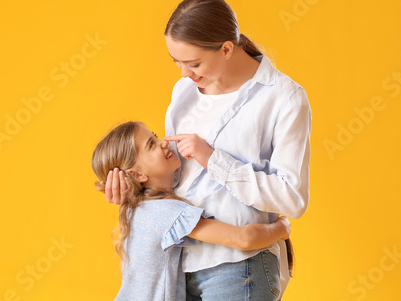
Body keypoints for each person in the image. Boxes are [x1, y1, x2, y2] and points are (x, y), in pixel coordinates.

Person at [101, 0, 311, 300]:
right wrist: (131, 189)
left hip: (237, 268)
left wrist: (212, 159)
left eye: (193, 62)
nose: (184, 74)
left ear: (227, 48)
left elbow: (292, 198)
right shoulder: (184, 92)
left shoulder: (283, 98)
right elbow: (170, 179)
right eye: (177, 62)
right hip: (176, 267)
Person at [92, 121, 291, 301]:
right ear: (137, 175)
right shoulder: (164, 212)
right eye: (151, 144)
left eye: (155, 135)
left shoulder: (135, 211)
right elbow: (242, 239)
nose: (163, 143)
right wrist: (281, 228)